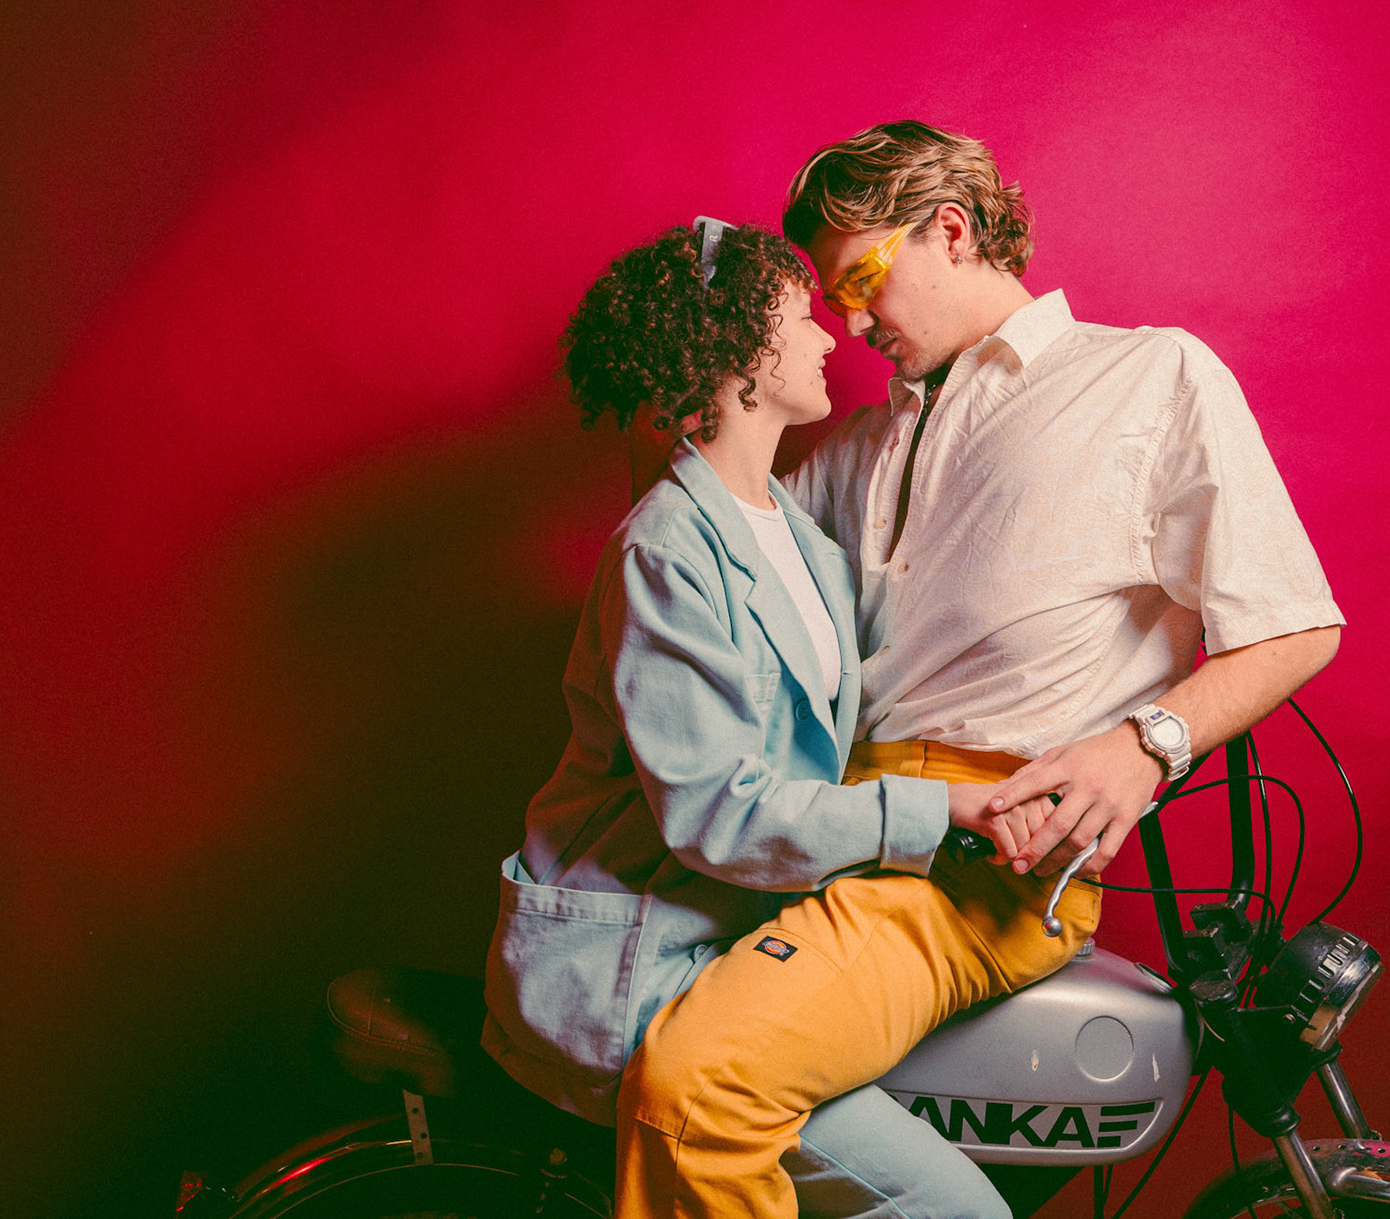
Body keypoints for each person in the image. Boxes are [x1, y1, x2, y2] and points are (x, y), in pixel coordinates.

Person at [612, 121, 1345, 1218]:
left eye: (861, 280)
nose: (851, 323)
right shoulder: (858, 445)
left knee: (695, 1085)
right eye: (829, 299)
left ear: (950, 231)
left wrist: (1144, 745)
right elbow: (699, 548)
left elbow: (1294, 626)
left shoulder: (1149, 377)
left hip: (980, 866)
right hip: (827, 838)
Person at [481, 219, 1061, 1219]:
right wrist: (938, 811)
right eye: (801, 317)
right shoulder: (666, 549)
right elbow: (720, 814)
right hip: (645, 972)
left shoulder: (798, 534)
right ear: (744, 353)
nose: (833, 334)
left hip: (745, 947)